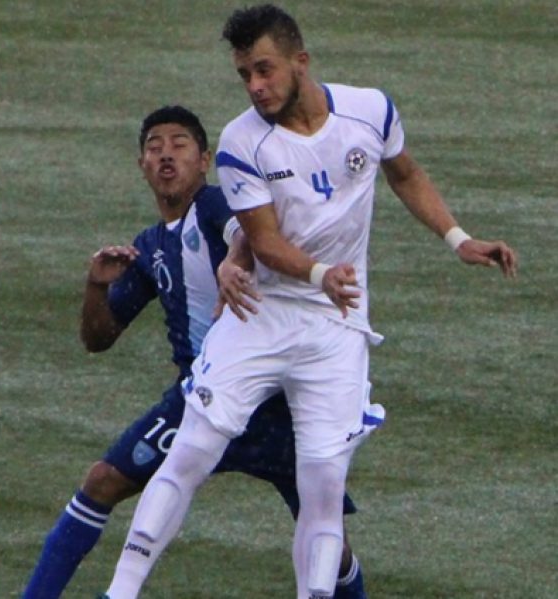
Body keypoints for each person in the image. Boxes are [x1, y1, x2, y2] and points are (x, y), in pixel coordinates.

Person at [100, 6, 519, 599]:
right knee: (192, 450)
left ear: (301, 61)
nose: (255, 87)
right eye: (244, 74)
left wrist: (459, 239)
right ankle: (121, 592)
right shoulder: (244, 140)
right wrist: (316, 272)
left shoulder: (370, 111)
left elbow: (404, 172)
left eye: (264, 70)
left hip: (336, 326)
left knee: (322, 485)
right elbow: (265, 241)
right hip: (261, 315)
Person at [19, 105, 370, 599]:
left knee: (328, 543)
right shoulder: (149, 247)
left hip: (274, 405)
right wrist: (95, 288)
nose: (166, 155)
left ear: (204, 160)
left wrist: (232, 262)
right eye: (154, 147)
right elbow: (98, 340)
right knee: (102, 481)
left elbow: (244, 233)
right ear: (141, 165)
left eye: (179, 144)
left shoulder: (213, 205)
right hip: (198, 400)